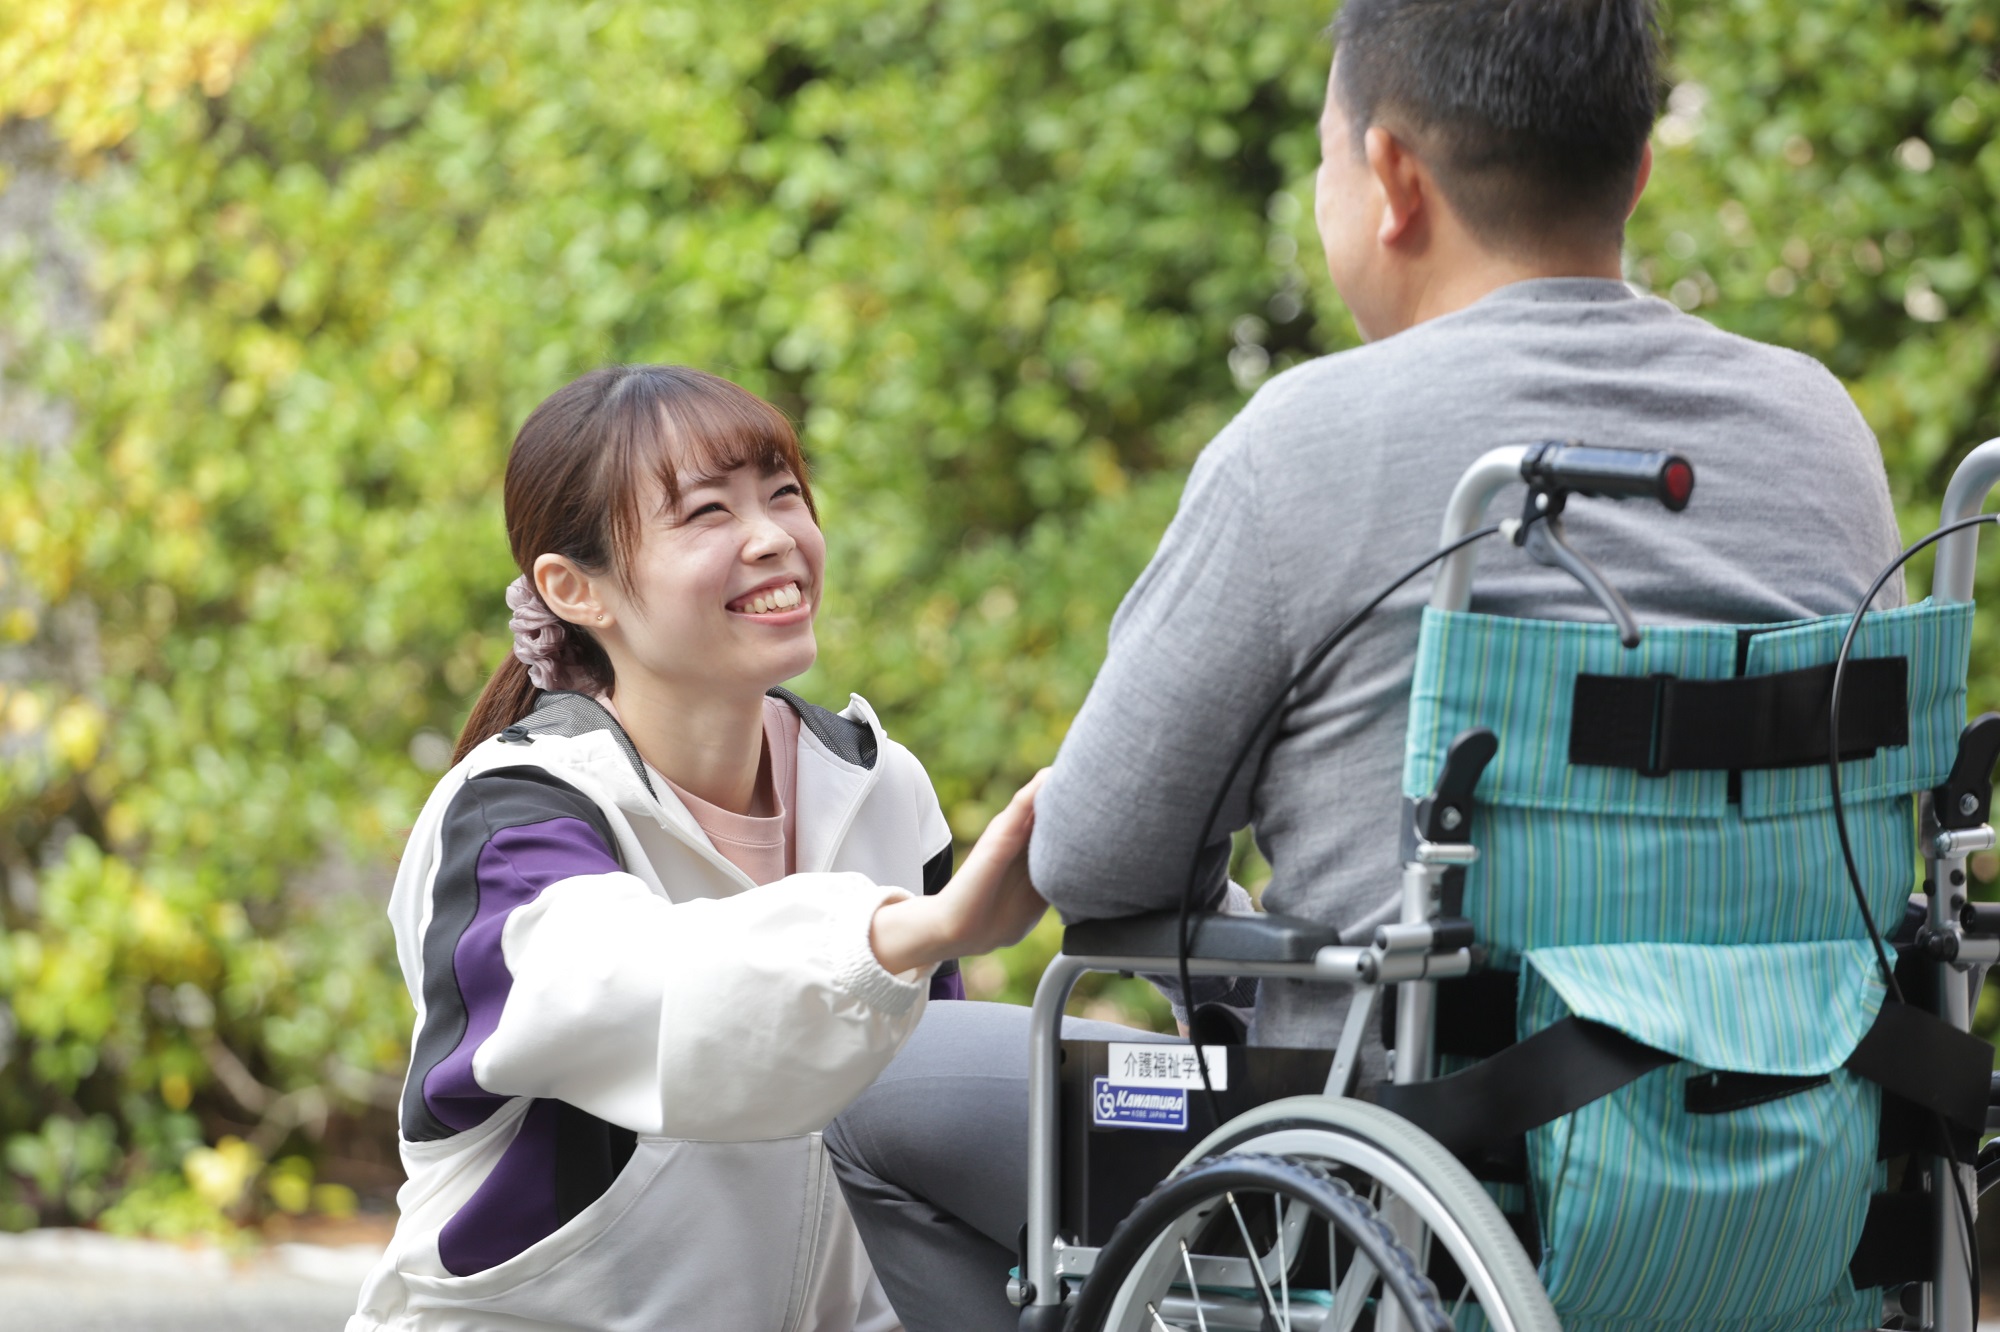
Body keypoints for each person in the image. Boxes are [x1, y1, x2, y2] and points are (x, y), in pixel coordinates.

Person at [825, 2, 1906, 1328]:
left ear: (1390, 178)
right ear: (1635, 169)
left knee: (865, 1091)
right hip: (1797, 1187)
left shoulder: (1310, 444)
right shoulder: (1819, 430)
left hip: (1408, 1195)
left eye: (1325, 157)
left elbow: (1097, 863)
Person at [346, 364, 1050, 1332]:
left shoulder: (880, 785)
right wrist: (902, 934)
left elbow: (906, 1127)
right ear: (572, 587)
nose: (772, 540)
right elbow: (648, 997)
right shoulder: (512, 815)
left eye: (784, 494)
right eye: (706, 513)